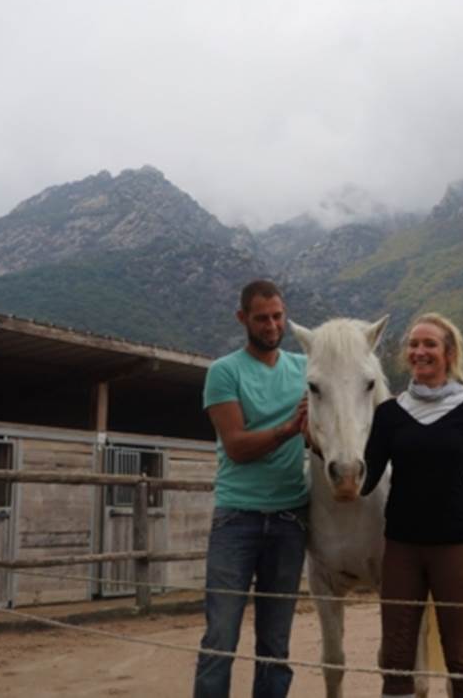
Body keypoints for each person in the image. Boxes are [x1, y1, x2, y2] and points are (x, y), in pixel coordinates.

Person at [361, 313, 463, 698]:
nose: (419, 351)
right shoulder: (389, 414)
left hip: (453, 548)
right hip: (401, 548)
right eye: (413, 344)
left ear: (449, 353)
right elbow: (366, 480)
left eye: (429, 344)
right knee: (396, 658)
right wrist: (322, 445)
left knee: (461, 659)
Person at [193, 279, 309, 698]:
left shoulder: (305, 368)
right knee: (220, 637)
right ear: (242, 318)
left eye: (277, 316)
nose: (272, 326)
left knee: (276, 644)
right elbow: (237, 447)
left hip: (290, 518)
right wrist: (288, 430)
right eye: (261, 318)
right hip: (237, 518)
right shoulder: (224, 372)